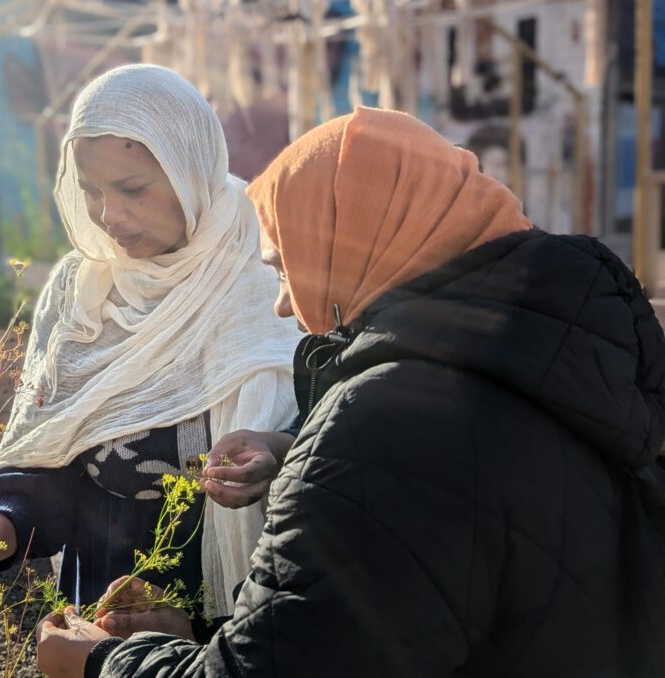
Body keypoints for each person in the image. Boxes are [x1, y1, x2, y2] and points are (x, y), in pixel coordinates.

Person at [35, 107, 665, 677]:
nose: (282, 306)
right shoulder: (585, 353)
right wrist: (207, 636)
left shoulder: (385, 422)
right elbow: (389, 624)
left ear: (355, 241)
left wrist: (103, 663)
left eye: (286, 266)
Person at [0, 64, 302, 622]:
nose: (109, 217)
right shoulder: (84, 292)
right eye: (89, 191)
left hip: (246, 616)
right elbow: (54, 451)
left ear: (190, 167)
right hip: (103, 613)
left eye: (131, 189)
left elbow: (337, 435)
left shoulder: (270, 270)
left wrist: (276, 453)